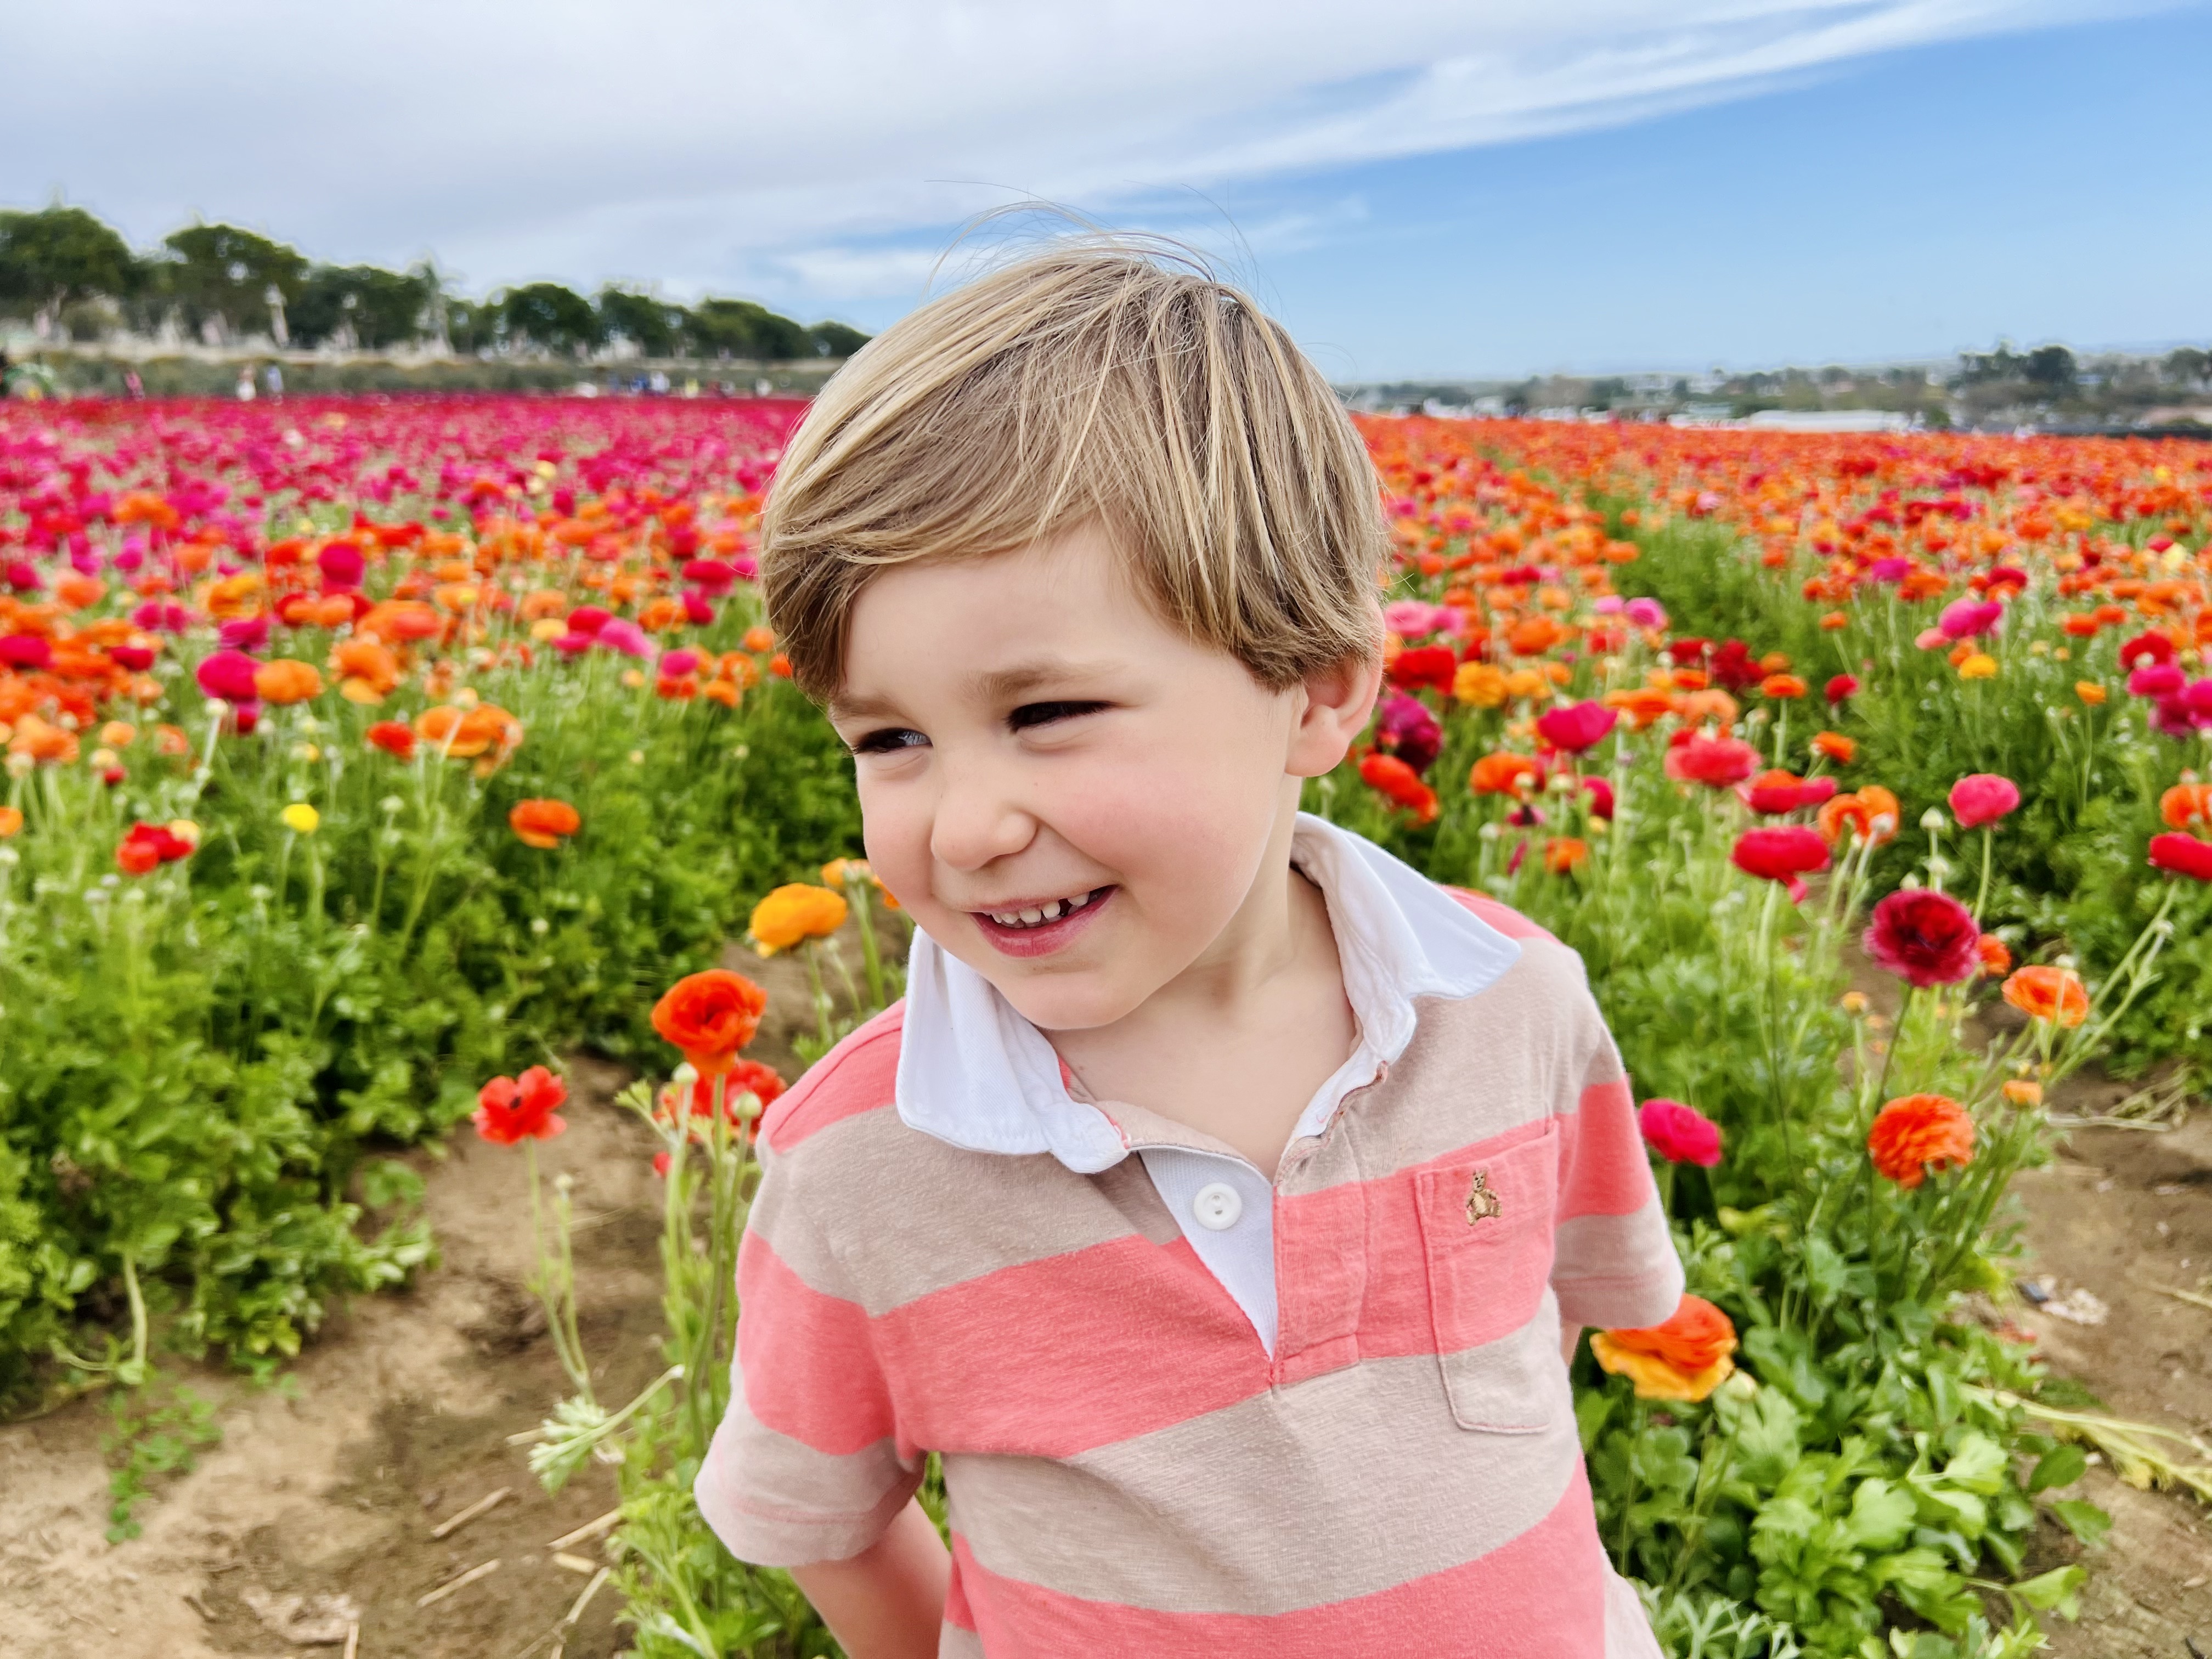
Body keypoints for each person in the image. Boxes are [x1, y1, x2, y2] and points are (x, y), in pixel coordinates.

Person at [697, 242, 1684, 1658]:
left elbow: (1551, 1336)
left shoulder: (1511, 1004)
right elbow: (822, 1518)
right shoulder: (870, 1158)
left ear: (1316, 693)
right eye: (891, 740)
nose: (968, 824)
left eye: (1045, 714)